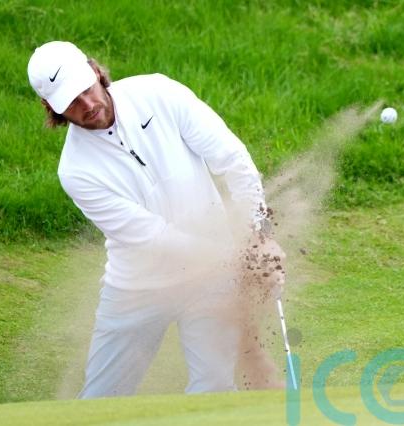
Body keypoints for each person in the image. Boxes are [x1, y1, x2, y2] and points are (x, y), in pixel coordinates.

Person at [27, 41, 286, 398]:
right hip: (136, 289)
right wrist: (234, 259)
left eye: (85, 90)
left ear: (95, 72)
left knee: (214, 387)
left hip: (210, 282)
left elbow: (231, 158)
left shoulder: (158, 93)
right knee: (101, 399)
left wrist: (259, 235)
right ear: (52, 109)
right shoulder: (75, 171)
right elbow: (153, 237)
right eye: (71, 102)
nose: (87, 105)